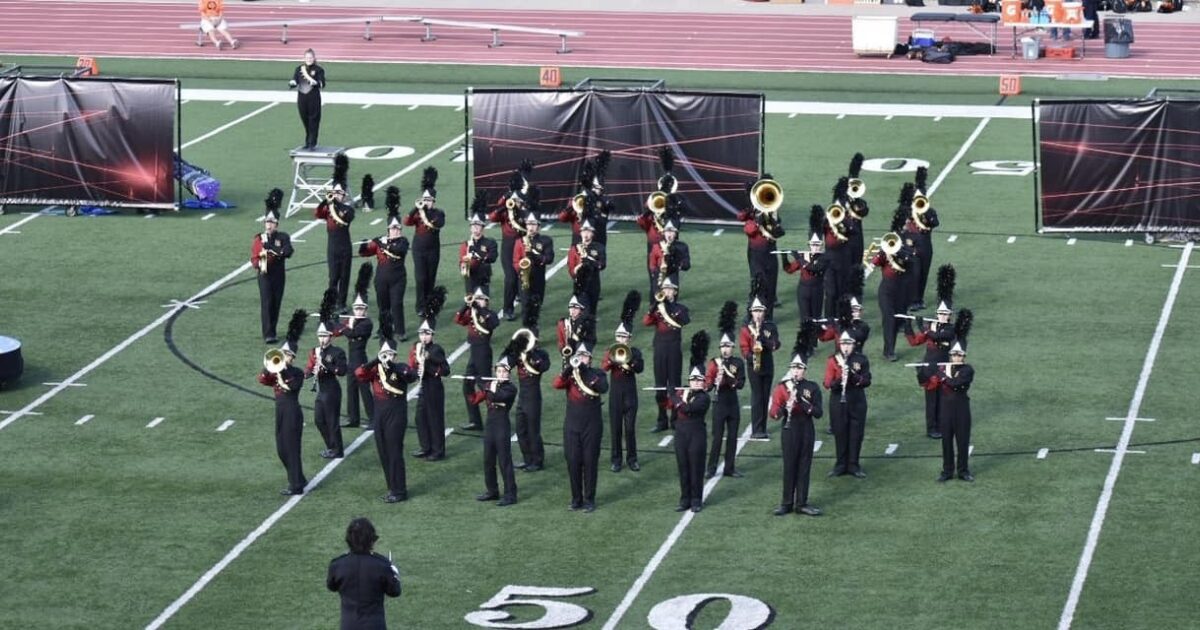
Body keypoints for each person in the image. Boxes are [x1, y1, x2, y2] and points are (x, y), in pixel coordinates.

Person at [355, 336, 418, 503]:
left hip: (396, 412)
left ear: (394, 355)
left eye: (389, 354)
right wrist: (375, 361)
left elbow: (412, 376)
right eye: (384, 353)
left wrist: (391, 366)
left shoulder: (400, 367)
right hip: (380, 412)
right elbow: (359, 374)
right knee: (383, 451)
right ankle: (392, 487)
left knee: (394, 451)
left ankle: (400, 490)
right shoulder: (375, 370)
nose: (386, 356)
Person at [552, 344, 609, 512]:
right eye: (579, 356)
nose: (581, 359)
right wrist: (568, 369)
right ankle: (576, 499)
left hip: (592, 425)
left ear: (590, 359)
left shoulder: (597, 373)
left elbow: (602, 387)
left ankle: (589, 499)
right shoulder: (571, 375)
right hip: (572, 424)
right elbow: (556, 384)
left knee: (590, 462)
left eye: (584, 356)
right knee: (573, 461)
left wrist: (584, 369)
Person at [256, 310, 308, 496]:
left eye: (287, 355)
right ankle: (298, 477)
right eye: (282, 353)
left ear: (292, 357)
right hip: (280, 411)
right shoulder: (276, 371)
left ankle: (296, 485)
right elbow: (262, 379)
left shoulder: (297, 373)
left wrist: (281, 370)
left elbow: (291, 388)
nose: (284, 357)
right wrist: (270, 366)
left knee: (292, 449)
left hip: (292, 411)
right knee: (281, 449)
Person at [769, 353, 823, 516]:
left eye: (799, 368)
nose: (796, 371)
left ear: (804, 370)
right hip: (789, 429)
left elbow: (818, 412)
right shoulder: (782, 387)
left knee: (804, 466)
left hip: (806, 428)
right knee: (789, 466)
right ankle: (786, 503)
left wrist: (802, 403)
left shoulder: (812, 387)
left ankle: (801, 503)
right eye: (793, 368)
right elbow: (773, 413)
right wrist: (785, 408)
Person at [327, 517, 402, 630]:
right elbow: (395, 592)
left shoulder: (337, 564)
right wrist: (394, 574)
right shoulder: (382, 564)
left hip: (349, 625)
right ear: (371, 540)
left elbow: (331, 586)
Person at [871, 191, 918, 362]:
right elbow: (874, 263)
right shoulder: (885, 251)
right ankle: (889, 351)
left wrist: (900, 253)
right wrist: (884, 252)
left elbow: (912, 262)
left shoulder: (906, 249)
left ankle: (891, 345)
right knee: (889, 319)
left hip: (902, 290)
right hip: (887, 290)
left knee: (898, 319)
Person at [601, 293, 645, 472]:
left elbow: (640, 368)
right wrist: (614, 359)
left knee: (630, 429)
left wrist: (628, 362)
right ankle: (616, 459)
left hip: (630, 394)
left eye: (623, 336)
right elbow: (604, 367)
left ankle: (632, 458)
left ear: (629, 338)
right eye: (618, 336)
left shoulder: (635, 352)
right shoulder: (611, 351)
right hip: (616, 395)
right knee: (616, 429)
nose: (620, 339)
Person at [467, 356, 519, 506]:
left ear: (508, 374)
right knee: (488, 460)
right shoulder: (490, 385)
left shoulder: (511, 388)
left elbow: (498, 396)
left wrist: (485, 385)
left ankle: (510, 495)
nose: (501, 374)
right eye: (499, 371)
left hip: (502, 426)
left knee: (504, 461)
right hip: (490, 426)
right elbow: (474, 400)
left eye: (504, 372)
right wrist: (469, 385)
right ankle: (492, 491)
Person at [360, 188, 409, 341]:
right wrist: (364, 244)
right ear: (388, 229)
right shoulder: (379, 240)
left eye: (398, 228)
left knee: (396, 304)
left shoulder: (403, 241)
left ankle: (400, 331)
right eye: (394, 229)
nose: (396, 231)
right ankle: (383, 329)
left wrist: (384, 244)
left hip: (398, 278)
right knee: (383, 305)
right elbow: (365, 253)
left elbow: (399, 251)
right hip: (381, 278)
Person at [643, 278, 690, 433]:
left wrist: (668, 306)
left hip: (674, 349)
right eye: (665, 289)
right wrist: (654, 307)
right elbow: (646, 322)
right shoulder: (657, 309)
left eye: (670, 289)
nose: (667, 291)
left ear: (675, 292)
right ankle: (661, 419)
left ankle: (675, 418)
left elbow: (684, 320)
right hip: (660, 349)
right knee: (660, 386)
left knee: (674, 385)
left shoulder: (680, 308)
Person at [508, 303, 550, 472]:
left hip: (533, 396)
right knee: (521, 429)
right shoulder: (519, 354)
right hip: (522, 397)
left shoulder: (541, 355)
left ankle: (537, 460)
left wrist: (531, 354)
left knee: (533, 431)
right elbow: (507, 361)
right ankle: (527, 458)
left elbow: (543, 366)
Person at [488, 163, 532, 321]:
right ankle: (508, 309)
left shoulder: (524, 204)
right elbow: (492, 217)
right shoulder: (505, 204)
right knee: (510, 277)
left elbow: (530, 220)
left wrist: (521, 206)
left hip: (522, 244)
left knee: (523, 275)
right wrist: (503, 205)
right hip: (508, 245)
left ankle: (524, 301)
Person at [825, 331, 872, 478]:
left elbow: (867, 381)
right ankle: (840, 465)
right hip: (838, 401)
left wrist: (853, 375)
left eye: (849, 344)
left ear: (854, 344)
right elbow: (827, 383)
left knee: (856, 434)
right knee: (840, 432)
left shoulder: (861, 359)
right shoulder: (833, 360)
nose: (846, 347)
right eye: (843, 344)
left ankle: (853, 465)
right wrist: (840, 380)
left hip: (857, 400)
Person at [333, 268, 374, 430]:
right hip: (352, 359)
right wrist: (334, 321)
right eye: (356, 309)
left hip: (360, 360)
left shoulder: (366, 323)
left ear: (365, 310)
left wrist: (345, 326)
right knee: (351, 389)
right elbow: (337, 331)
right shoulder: (353, 320)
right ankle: (353, 417)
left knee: (364, 389)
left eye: (360, 309)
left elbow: (352, 333)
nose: (357, 311)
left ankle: (373, 418)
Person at [737, 177, 785, 317]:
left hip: (770, 252)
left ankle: (768, 317)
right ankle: (753, 315)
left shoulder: (773, 214)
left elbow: (779, 233)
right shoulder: (753, 213)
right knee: (758, 285)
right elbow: (748, 229)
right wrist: (756, 218)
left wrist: (771, 219)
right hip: (756, 254)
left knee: (771, 286)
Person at [454, 288, 500, 431]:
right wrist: (466, 305)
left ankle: (496, 417)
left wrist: (477, 308)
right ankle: (475, 420)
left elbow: (493, 324)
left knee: (485, 385)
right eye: (476, 298)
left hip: (483, 351)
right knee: (467, 384)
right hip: (474, 352)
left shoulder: (490, 314)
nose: (477, 301)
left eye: (480, 299)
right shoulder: (472, 312)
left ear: (486, 301)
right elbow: (458, 320)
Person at [930, 342, 975, 482]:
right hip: (945, 409)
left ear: (963, 356)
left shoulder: (967, 369)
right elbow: (928, 384)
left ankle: (963, 471)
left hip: (961, 409)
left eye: (959, 355)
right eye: (954, 355)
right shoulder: (943, 368)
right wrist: (925, 371)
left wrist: (941, 375)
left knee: (962, 441)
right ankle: (947, 471)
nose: (956, 357)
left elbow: (956, 384)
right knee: (946, 441)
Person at [705, 325, 746, 479]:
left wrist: (727, 378)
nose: (725, 349)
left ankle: (730, 468)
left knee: (732, 437)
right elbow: (707, 384)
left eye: (728, 346)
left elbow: (740, 384)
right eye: (723, 346)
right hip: (719, 403)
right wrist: (713, 383)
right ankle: (711, 468)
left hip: (732, 403)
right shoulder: (714, 363)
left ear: (733, 347)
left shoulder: (738, 363)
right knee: (717, 437)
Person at [404, 168, 445, 317]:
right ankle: (420, 305)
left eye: (428, 200)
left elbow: (436, 225)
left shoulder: (438, 213)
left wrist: (423, 213)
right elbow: (407, 221)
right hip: (419, 249)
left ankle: (429, 303)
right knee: (420, 278)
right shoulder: (418, 212)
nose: (426, 202)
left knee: (430, 277)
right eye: (424, 199)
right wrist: (416, 207)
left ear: (433, 201)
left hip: (433, 250)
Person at [670, 366, 711, 513]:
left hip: (696, 432)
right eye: (693, 380)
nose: (697, 382)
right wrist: (673, 397)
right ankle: (685, 499)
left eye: (699, 380)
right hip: (681, 432)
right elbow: (672, 409)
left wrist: (675, 398)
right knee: (683, 467)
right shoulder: (683, 392)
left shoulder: (704, 397)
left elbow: (688, 409)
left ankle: (696, 499)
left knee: (696, 467)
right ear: (689, 381)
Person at [251, 199, 293, 344]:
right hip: (265, 275)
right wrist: (260, 262)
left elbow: (288, 251)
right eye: (267, 222)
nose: (269, 225)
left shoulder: (283, 237)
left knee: (276, 303)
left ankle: (273, 330)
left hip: (279, 275)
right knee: (267, 303)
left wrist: (272, 248)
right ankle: (268, 333)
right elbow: (255, 259)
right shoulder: (259, 239)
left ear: (277, 224)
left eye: (272, 222)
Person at [410, 308, 449, 461]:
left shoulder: (436, 349)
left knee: (435, 419)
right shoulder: (418, 347)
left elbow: (446, 370)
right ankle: (426, 447)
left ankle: (438, 451)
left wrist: (428, 364)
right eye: (421, 333)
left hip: (434, 387)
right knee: (420, 418)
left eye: (426, 334)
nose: (423, 337)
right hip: (423, 387)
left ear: (432, 335)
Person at [740, 296, 780, 441]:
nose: (757, 314)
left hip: (768, 363)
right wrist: (753, 356)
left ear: (764, 312)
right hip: (754, 366)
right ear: (751, 312)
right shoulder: (746, 329)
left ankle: (763, 427)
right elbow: (744, 348)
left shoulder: (770, 326)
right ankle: (757, 429)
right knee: (757, 396)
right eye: (755, 311)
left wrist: (763, 340)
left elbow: (776, 344)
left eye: (760, 311)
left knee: (765, 395)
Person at [315, 172, 355, 313]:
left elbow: (347, 217)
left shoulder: (348, 209)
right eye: (335, 192)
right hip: (332, 248)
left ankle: (342, 304)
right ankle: (331, 302)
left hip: (345, 248)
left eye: (339, 192)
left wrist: (334, 202)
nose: (337, 194)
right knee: (333, 277)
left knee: (344, 277)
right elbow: (318, 213)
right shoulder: (328, 209)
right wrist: (325, 200)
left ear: (344, 194)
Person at [307, 322, 348, 459]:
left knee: (332, 421)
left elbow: (342, 371)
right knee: (319, 420)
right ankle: (332, 445)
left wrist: (326, 365)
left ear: (331, 337)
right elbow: (310, 367)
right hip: (321, 390)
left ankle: (338, 450)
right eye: (320, 336)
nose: (322, 339)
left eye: (325, 336)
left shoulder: (337, 352)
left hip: (332, 390)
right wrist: (308, 373)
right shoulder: (315, 351)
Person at [784, 207, 829, 323]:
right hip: (803, 290)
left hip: (817, 290)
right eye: (813, 244)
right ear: (809, 244)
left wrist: (798, 258)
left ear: (822, 244)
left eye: (818, 244)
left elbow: (814, 269)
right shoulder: (804, 256)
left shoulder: (824, 257)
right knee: (804, 320)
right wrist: (784, 256)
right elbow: (789, 270)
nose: (815, 247)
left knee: (816, 320)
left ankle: (814, 340)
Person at [906, 168, 939, 312]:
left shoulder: (929, 212)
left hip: (925, 246)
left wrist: (925, 215)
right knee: (914, 273)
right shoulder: (907, 212)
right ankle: (912, 300)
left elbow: (935, 223)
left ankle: (919, 299)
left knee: (923, 274)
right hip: (911, 247)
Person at [513, 213, 554, 321]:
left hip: (538, 278)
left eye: (534, 224)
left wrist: (535, 255)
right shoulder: (520, 241)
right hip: (524, 278)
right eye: (529, 224)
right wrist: (522, 269)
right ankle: (526, 328)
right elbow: (515, 261)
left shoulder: (546, 241)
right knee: (525, 305)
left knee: (536, 306)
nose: (531, 227)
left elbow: (549, 259)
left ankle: (533, 329)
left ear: (539, 226)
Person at [289, 48, 326, 150]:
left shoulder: (319, 70)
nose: (309, 59)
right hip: (302, 98)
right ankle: (308, 141)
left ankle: (312, 143)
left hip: (313, 98)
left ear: (314, 58)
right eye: (307, 57)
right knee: (305, 120)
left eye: (311, 57)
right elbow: (295, 80)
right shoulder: (299, 69)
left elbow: (322, 84)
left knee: (313, 120)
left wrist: (316, 83)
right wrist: (292, 83)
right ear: (304, 58)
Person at [461, 197, 498, 296]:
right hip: (470, 278)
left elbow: (492, 257)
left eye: (478, 226)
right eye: (473, 226)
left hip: (483, 277)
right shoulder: (466, 244)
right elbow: (461, 263)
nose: (475, 228)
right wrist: (464, 263)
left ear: (483, 227)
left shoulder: (490, 242)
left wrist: (477, 255)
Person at [568, 220, 606, 313]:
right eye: (584, 231)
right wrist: (576, 270)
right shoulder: (575, 248)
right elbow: (571, 268)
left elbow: (602, 264)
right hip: (580, 284)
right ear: (580, 233)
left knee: (592, 311)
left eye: (589, 231)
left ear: (592, 233)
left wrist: (589, 260)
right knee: (581, 311)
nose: (586, 234)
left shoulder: (599, 247)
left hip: (594, 282)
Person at [648, 221, 691, 293]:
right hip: (659, 275)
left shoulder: (682, 246)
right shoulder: (656, 246)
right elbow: (652, 263)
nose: (669, 234)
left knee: (671, 300)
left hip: (672, 275)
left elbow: (687, 265)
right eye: (667, 232)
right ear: (664, 233)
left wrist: (679, 265)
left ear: (676, 233)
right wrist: (655, 273)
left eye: (672, 232)